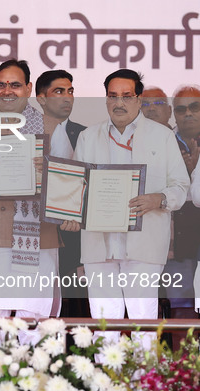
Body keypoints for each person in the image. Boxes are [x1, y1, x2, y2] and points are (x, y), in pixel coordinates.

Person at [73, 69, 189, 347]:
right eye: (112, 96)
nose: (119, 102)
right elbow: (75, 189)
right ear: (106, 100)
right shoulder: (89, 137)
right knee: (104, 324)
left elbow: (180, 187)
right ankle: (103, 383)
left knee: (143, 321)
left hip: (145, 241)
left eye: (127, 96)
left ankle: (143, 384)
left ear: (138, 99)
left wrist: (158, 199)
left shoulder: (161, 136)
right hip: (98, 244)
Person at [0, 59, 76, 319]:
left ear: (28, 89)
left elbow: (71, 184)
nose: (7, 91)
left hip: (37, 240)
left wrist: (47, 171)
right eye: (0, 85)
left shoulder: (52, 129)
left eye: (15, 85)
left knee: (34, 323)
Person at [35, 69, 87, 316]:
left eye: (70, 91)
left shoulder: (87, 135)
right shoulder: (24, 134)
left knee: (78, 312)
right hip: (36, 236)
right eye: (59, 91)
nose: (67, 97)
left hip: (77, 238)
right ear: (41, 98)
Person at [163, 85, 200, 349]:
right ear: (174, 114)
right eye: (181, 109)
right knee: (180, 311)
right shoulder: (163, 142)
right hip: (176, 243)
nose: (188, 114)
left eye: (194, 107)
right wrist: (184, 178)